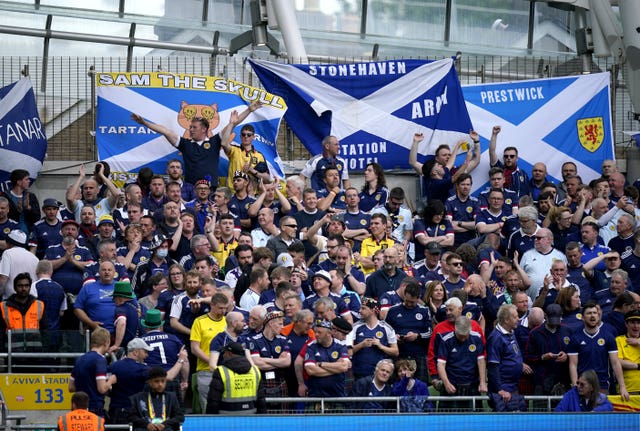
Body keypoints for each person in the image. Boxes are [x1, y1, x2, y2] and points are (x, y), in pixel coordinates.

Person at [131, 105, 246, 188]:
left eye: (194, 127)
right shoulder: (185, 144)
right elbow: (165, 131)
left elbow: (234, 123)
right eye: (190, 127)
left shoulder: (214, 141)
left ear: (204, 129)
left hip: (211, 189)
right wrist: (144, 123)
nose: (190, 130)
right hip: (190, 190)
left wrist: (250, 109)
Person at [568, 301, 629, 398]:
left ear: (598, 315)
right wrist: (575, 385)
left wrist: (622, 387)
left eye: (594, 313)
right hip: (583, 385)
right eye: (589, 313)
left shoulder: (608, 337)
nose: (592, 316)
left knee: (602, 411)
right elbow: (573, 364)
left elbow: (615, 363)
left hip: (602, 384)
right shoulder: (575, 338)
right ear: (583, 317)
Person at [487, 304, 531, 412]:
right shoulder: (496, 338)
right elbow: (493, 366)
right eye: (515, 317)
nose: (518, 319)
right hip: (503, 390)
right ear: (506, 320)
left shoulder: (511, 332)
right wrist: (499, 390)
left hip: (513, 386)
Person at [68, 327, 117, 417]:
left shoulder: (80, 359)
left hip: (78, 408)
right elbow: (101, 389)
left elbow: (71, 388)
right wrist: (111, 380)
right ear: (106, 343)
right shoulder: (100, 360)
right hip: (94, 408)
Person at [206, 342, 266, 414]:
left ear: (229, 353)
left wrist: (211, 419)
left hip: (226, 417)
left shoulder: (221, 371)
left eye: (224, 353)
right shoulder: (255, 370)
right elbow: (261, 399)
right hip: (250, 416)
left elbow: (213, 400)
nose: (223, 355)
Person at [0, 272, 47, 352]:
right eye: (20, 286)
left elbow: (45, 331)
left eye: (26, 285)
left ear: (30, 287)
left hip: (35, 353)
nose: (24, 288)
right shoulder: (4, 306)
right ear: (14, 288)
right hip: (12, 354)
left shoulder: (39, 305)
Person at [129, 366, 185, 431]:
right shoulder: (138, 398)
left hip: (165, 428)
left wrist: (165, 424)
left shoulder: (171, 397)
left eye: (163, 381)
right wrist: (146, 424)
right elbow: (131, 416)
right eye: (156, 381)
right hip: (145, 428)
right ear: (150, 382)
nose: (160, 384)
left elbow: (180, 416)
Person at [0, 230, 39, 299]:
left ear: (9, 243)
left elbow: (3, 278)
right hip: (31, 300)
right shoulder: (34, 258)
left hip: (12, 300)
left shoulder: (7, 253)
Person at [615, 309, 640, 394]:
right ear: (626, 324)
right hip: (628, 389)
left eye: (638, 323)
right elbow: (618, 362)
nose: (636, 326)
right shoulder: (619, 340)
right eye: (632, 322)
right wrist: (638, 366)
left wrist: (639, 343)